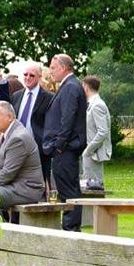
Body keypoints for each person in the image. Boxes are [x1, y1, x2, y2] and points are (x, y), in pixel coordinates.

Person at [0, 102, 45, 220]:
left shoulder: (18, 137)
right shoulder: (6, 134)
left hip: (26, 189)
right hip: (12, 186)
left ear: (10, 117)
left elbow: (7, 173)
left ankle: (0, 233)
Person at [42, 54, 87, 231]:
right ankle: (71, 228)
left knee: (69, 192)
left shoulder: (70, 87)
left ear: (63, 68)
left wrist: (59, 145)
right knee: (68, 190)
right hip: (66, 147)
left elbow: (67, 118)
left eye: (53, 68)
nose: (51, 72)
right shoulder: (71, 85)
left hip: (66, 148)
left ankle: (71, 230)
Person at [11, 63, 54, 185]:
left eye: (32, 75)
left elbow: (51, 124)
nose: (27, 77)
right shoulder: (16, 96)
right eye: (25, 74)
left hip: (39, 146)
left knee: (41, 181)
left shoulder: (48, 98)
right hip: (17, 145)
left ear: (39, 77)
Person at [81, 75, 112, 189]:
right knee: (87, 187)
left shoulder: (97, 105)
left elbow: (102, 131)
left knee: (94, 188)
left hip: (94, 154)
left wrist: (88, 150)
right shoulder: (93, 104)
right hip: (91, 153)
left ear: (86, 88)